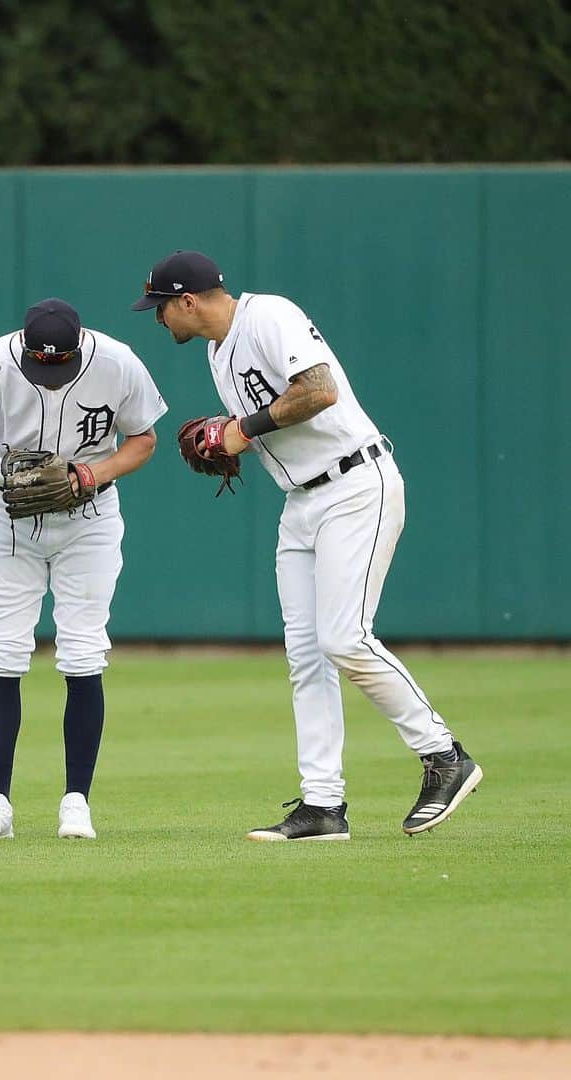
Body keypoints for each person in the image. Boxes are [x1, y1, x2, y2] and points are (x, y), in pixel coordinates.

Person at [132, 251, 482, 841]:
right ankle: (323, 806)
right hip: (301, 503)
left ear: (188, 300)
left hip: (355, 485)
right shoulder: (218, 353)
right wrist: (229, 436)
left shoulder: (268, 316)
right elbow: (271, 418)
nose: (158, 319)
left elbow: (317, 390)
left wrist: (240, 431)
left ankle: (445, 755)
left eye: (160, 308)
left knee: (344, 638)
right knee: (307, 657)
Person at [0, 298, 167, 840]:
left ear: (78, 346)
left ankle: (76, 803)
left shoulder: (117, 361)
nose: (49, 373)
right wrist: (5, 474)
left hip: (88, 519)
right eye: (41, 364)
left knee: (84, 651)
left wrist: (93, 474)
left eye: (59, 364)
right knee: (1, 653)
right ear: (23, 348)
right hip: (9, 522)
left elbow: (144, 439)